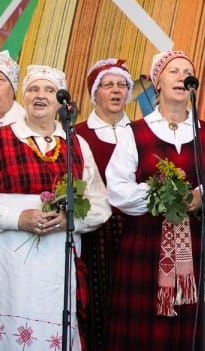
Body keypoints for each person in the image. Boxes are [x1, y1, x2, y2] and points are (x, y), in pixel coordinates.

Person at [0, 64, 111, 348]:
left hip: (54, 266)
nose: (40, 96)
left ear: (60, 99)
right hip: (1, 265)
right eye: (33, 89)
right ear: (23, 97)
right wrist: (19, 218)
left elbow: (100, 206)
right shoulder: (0, 140)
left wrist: (68, 220)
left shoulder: (77, 145)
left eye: (49, 90)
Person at [105, 50, 205, 351]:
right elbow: (118, 189)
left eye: (187, 72)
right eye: (173, 71)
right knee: (146, 326)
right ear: (157, 82)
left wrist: (201, 196)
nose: (181, 77)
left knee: (196, 324)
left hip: (198, 245)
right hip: (147, 245)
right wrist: (163, 196)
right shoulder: (134, 133)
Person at [72, 58, 134, 351]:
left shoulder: (141, 132)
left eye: (122, 85)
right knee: (98, 299)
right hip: (95, 232)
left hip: (135, 228)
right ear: (94, 92)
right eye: (108, 84)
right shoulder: (77, 135)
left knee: (132, 299)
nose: (115, 90)